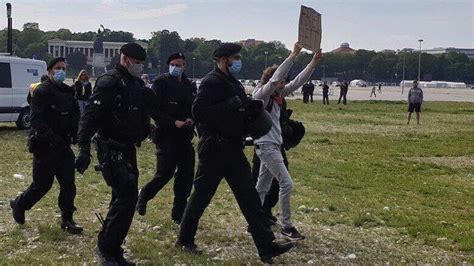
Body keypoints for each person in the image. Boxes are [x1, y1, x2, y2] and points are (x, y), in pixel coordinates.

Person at [177, 43, 294, 263]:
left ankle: (266, 246)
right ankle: (184, 238)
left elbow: (241, 108)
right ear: (223, 59)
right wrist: (230, 105)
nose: (239, 61)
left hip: (233, 147)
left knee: (249, 197)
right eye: (236, 57)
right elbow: (199, 112)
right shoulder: (211, 82)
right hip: (214, 149)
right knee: (201, 196)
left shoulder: (233, 83)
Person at [75, 43, 158, 265]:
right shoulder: (110, 82)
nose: (139, 67)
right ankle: (107, 249)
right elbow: (90, 116)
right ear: (124, 59)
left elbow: (141, 113)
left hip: (128, 147)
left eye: (142, 64)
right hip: (111, 147)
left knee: (122, 197)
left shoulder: (134, 84)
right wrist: (83, 148)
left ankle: (113, 247)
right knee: (127, 197)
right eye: (137, 63)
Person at [253, 43, 323, 241]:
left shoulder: (277, 96)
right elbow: (276, 79)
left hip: (272, 145)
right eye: (281, 81)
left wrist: (313, 63)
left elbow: (298, 82)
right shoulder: (261, 95)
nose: (284, 84)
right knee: (286, 183)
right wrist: (293, 55)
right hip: (267, 146)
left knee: (261, 187)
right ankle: (287, 226)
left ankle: (254, 221)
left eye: (284, 82)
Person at [10, 57, 82, 234]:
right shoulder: (41, 91)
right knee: (42, 185)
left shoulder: (68, 91)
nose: (61, 71)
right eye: (58, 68)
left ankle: (67, 219)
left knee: (68, 184)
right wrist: (51, 137)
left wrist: (75, 133)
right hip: (45, 146)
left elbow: (74, 114)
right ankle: (20, 204)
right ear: (49, 71)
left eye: (64, 68)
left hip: (64, 146)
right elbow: (36, 120)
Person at [136, 52, 196, 224]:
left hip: (185, 136)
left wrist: (191, 119)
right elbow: (153, 110)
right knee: (164, 173)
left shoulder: (189, 85)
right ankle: (144, 195)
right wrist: (172, 122)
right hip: (166, 135)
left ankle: (178, 214)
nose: (177, 68)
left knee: (186, 176)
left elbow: (194, 107)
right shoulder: (161, 83)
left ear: (185, 66)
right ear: (169, 65)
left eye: (180, 65)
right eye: (174, 64)